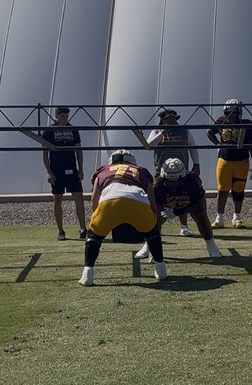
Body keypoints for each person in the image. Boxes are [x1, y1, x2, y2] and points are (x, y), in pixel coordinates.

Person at [79, 149, 166, 286]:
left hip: (109, 201)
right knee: (152, 233)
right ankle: (161, 270)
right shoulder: (141, 170)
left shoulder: (103, 171)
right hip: (138, 201)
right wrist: (152, 218)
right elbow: (151, 197)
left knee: (94, 236)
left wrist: (98, 222)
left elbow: (94, 200)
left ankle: (87, 274)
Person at [134, 157, 222, 261]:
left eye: (175, 181)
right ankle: (149, 245)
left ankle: (211, 245)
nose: (172, 184)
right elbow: (154, 205)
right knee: (154, 218)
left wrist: (177, 211)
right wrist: (162, 211)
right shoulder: (158, 185)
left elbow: (198, 205)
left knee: (201, 216)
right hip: (167, 204)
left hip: (188, 203)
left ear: (183, 177)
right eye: (169, 181)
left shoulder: (193, 183)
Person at [145, 108, 200, 236]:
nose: (171, 121)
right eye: (168, 119)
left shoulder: (184, 131)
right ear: (162, 120)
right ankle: (156, 225)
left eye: (173, 119)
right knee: (158, 198)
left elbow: (193, 148)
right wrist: (161, 133)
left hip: (182, 171)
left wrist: (196, 164)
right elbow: (149, 146)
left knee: (183, 197)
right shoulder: (156, 130)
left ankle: (184, 226)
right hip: (161, 172)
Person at [206, 99, 252, 228]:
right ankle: (219, 218)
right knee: (222, 190)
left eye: (234, 113)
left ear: (239, 113)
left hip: (241, 161)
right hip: (224, 159)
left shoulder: (247, 124)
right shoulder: (221, 121)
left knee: (238, 190)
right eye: (229, 112)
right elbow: (209, 132)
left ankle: (237, 217)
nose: (231, 115)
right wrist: (218, 144)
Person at [41, 105, 87, 240]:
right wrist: (49, 172)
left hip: (72, 169)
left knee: (79, 197)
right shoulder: (48, 131)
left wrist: (81, 169)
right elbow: (44, 153)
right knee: (57, 199)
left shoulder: (73, 130)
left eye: (67, 116)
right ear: (56, 116)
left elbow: (79, 151)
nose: (65, 119)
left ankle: (83, 229)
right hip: (56, 170)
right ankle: (61, 231)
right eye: (62, 116)